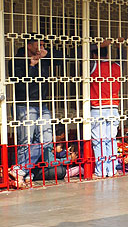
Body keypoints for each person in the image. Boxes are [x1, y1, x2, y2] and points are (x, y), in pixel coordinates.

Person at [8, 35, 114, 188]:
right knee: (27, 141)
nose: (43, 47)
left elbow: (68, 56)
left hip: (42, 104)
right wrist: (31, 65)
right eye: (40, 44)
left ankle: (21, 170)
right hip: (25, 104)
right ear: (29, 45)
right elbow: (17, 82)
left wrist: (47, 55)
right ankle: (25, 176)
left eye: (44, 45)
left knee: (46, 140)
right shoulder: (16, 61)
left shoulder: (45, 57)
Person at [90, 46, 123, 177]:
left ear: (93, 55)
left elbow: (80, 52)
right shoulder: (117, 66)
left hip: (98, 109)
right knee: (111, 140)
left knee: (99, 141)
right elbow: (123, 56)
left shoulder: (93, 65)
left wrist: (101, 44)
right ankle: (112, 169)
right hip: (113, 108)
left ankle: (101, 171)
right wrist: (117, 45)